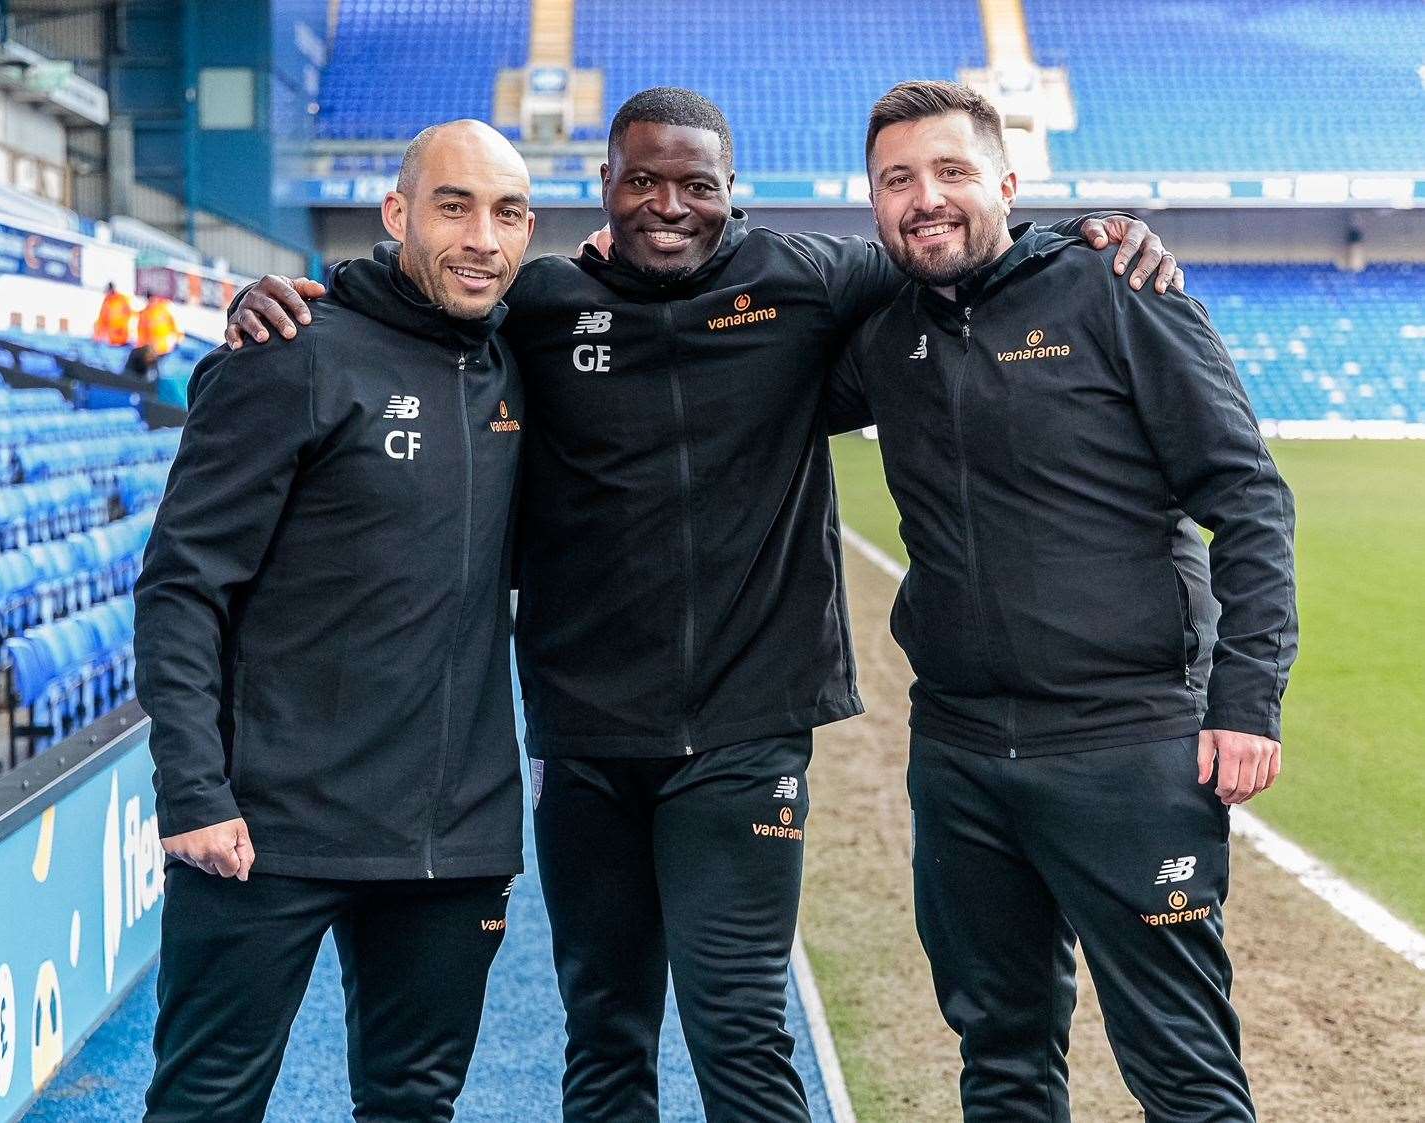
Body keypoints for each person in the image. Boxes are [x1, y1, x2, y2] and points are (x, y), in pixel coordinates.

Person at [227, 87, 1181, 1123]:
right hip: (585, 737)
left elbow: (955, 256)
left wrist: (1091, 240)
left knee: (737, 1027)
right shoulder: (541, 306)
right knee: (603, 1030)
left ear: (735, 193)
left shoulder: (806, 279)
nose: (666, 204)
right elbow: (419, 311)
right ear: (604, 188)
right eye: (641, 180)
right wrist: (288, 299)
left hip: (745, 729)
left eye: (693, 184)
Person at [828, 80, 1298, 1122]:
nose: (925, 199)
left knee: (1180, 1070)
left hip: (1123, 748)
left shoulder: (1111, 286)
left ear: (1004, 180)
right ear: (869, 201)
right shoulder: (881, 332)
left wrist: (1245, 697)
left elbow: (1249, 497)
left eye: (950, 172)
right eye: (896, 179)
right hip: (957, 757)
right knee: (998, 1056)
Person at [134, 119, 535, 1123]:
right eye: (454, 206)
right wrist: (191, 788)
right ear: (396, 213)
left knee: (411, 1109)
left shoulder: (522, 363)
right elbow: (182, 583)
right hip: (266, 829)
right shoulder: (291, 352)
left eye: (508, 212)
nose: (482, 236)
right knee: (202, 1108)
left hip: (453, 840)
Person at [137, 289, 183, 375]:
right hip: (152, 350)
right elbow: (141, 333)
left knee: (163, 371)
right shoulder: (145, 313)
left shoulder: (165, 309)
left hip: (165, 347)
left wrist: (178, 338)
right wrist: (142, 348)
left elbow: (175, 324)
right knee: (153, 371)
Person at [94, 281, 133, 346]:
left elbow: (128, 313)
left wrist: (121, 327)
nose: (107, 293)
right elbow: (102, 317)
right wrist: (98, 334)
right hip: (111, 338)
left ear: (111, 290)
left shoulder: (122, 299)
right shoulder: (107, 301)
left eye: (108, 291)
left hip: (121, 335)